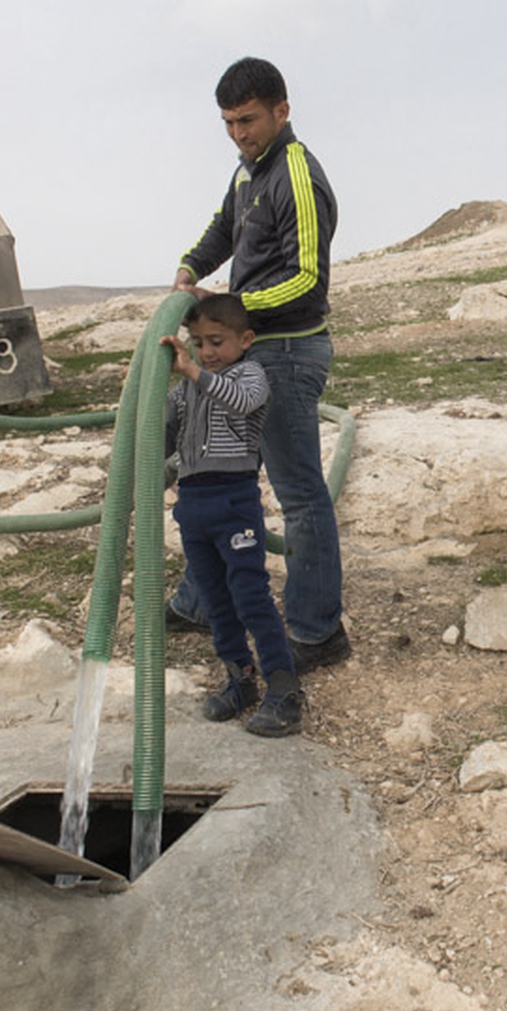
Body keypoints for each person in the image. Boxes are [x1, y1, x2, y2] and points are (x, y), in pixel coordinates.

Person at [168, 57, 349, 674]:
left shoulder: (296, 173)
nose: (239, 134)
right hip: (250, 344)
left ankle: (318, 630)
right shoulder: (250, 171)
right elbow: (225, 229)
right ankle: (199, 600)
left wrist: (230, 308)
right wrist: (190, 268)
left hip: (286, 350)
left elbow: (306, 279)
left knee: (298, 496)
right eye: (228, 123)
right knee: (215, 472)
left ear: (282, 110)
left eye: (248, 120)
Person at [162, 294, 304, 737]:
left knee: (250, 596)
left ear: (245, 340)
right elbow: (163, 434)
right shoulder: (186, 387)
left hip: (234, 501)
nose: (207, 352)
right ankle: (239, 678)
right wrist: (150, 389)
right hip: (194, 506)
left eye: (217, 342)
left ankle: (284, 690)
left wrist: (193, 372)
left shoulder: (250, 375)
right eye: (199, 342)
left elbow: (241, 402)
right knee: (215, 600)